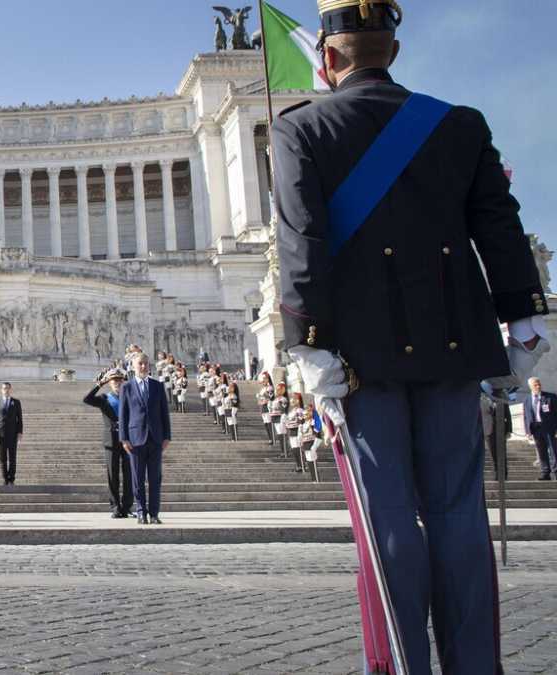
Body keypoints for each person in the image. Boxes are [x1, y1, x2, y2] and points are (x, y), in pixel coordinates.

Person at [275, 2, 549, 670]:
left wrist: (307, 340)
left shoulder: (301, 129)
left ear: (328, 59)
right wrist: (526, 320)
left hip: (358, 360)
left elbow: (302, 242)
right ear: (392, 50)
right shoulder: (459, 125)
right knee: (460, 512)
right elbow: (500, 229)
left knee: (388, 519)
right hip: (455, 348)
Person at [119, 353, 171, 525]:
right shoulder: (126, 387)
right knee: (138, 479)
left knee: (155, 478)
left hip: (155, 439)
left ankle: (154, 513)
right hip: (135, 439)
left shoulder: (157, 386)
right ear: (133, 366)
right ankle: (141, 511)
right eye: (140, 364)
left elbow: (164, 413)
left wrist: (167, 436)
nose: (143, 367)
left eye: (146, 364)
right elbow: (123, 414)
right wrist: (124, 438)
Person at [83, 368, 133, 519]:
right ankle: (116, 506)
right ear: (109, 383)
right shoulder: (104, 398)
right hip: (111, 440)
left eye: (119, 380)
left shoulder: (130, 397)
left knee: (128, 475)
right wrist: (100, 384)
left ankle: (127, 506)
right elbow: (87, 399)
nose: (117, 383)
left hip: (128, 440)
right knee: (113, 476)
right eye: (114, 381)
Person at [523, 377, 557, 480]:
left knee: (553, 450)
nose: (538, 386)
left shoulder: (551, 397)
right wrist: (527, 431)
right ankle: (545, 473)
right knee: (541, 451)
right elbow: (526, 416)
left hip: (549, 428)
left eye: (539, 384)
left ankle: (556, 472)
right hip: (536, 429)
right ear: (530, 387)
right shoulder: (527, 399)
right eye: (535, 385)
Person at [0, 382, 24, 485]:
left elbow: (19, 418)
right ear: (1, 390)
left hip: (13, 433)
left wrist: (20, 432)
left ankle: (12, 478)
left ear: (11, 390)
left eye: (8, 388)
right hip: (1, 434)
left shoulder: (16, 402)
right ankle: (5, 478)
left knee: (12, 457)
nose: (6, 390)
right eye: (4, 388)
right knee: (2, 457)